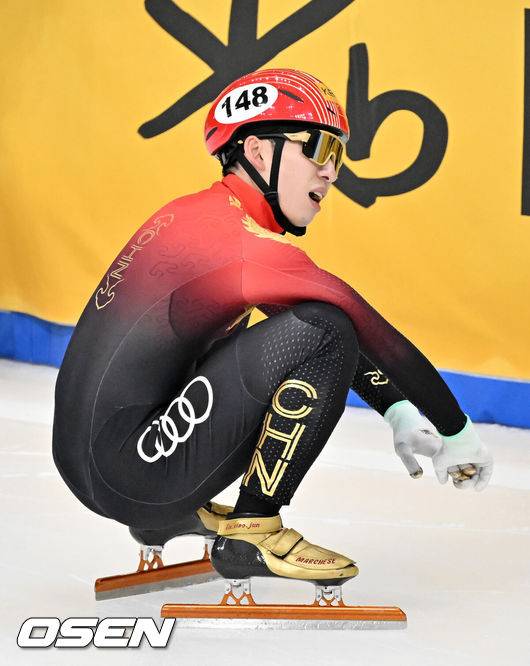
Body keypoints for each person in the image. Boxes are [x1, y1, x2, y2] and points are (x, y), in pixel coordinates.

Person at [53, 69, 493, 602]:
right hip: (136, 473)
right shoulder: (242, 245)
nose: (332, 172)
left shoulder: (196, 217)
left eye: (339, 155)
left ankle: (162, 514)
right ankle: (253, 530)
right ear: (259, 152)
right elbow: (371, 333)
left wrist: (398, 412)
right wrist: (456, 432)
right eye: (320, 148)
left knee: (305, 323)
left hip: (96, 465)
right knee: (328, 325)